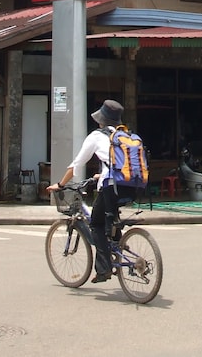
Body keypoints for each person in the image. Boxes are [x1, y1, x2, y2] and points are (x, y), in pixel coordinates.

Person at [47, 99, 133, 283]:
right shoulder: (125, 135)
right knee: (109, 217)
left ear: (101, 120)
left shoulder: (96, 136)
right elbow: (120, 164)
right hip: (131, 186)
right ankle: (117, 245)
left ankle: (104, 269)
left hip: (110, 186)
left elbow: (76, 165)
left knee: (95, 224)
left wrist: (60, 184)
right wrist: (100, 174)